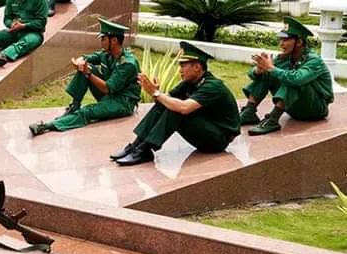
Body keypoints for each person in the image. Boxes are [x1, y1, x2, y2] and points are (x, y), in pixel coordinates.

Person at [112, 42, 241, 167]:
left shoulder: (213, 86)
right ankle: (136, 146)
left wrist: (156, 93)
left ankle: (145, 150)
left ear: (197, 67)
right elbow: (166, 99)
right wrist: (157, 93)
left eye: (183, 66)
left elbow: (184, 108)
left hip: (218, 139)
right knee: (165, 103)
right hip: (206, 129)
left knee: (176, 110)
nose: (180, 70)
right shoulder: (190, 82)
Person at [29, 19, 139, 136]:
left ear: (114, 40)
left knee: (87, 111)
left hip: (122, 103)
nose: (101, 42)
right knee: (87, 67)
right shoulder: (108, 54)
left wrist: (88, 74)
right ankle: (75, 106)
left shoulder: (127, 64)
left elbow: (107, 88)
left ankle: (47, 126)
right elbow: (86, 58)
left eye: (103, 39)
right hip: (110, 95)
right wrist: (80, 62)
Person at [240, 16, 334, 136]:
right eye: (280, 39)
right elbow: (254, 75)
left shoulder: (314, 60)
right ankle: (249, 111)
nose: (281, 43)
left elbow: (296, 79)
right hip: (294, 109)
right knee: (268, 73)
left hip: (315, 110)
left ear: (299, 42)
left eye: (285, 40)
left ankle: (272, 119)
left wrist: (270, 67)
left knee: (294, 79)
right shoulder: (285, 58)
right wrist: (259, 70)